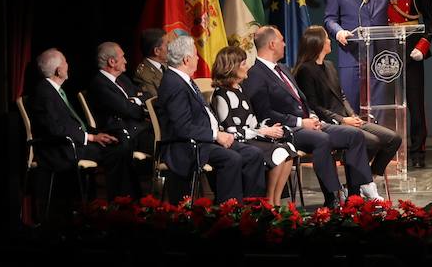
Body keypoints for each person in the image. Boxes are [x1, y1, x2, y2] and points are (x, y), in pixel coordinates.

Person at [242, 25, 381, 203]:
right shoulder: (256, 74)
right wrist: (301, 122)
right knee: (322, 140)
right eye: (282, 41)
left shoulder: (283, 69)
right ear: (271, 44)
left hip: (309, 123)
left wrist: (313, 116)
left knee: (353, 135)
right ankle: (334, 196)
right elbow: (265, 114)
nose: (285, 44)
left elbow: (303, 101)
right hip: (286, 129)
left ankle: (354, 196)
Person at [323, 0, 432, 109]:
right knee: (352, 108)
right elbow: (330, 19)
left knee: (380, 108)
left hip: (379, 58)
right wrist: (338, 32)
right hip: (352, 56)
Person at [156, 34, 265, 203]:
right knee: (231, 158)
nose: (198, 58)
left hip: (204, 140)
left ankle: (252, 209)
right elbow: (182, 128)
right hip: (186, 145)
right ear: (186, 60)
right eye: (195, 55)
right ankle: (228, 211)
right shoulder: (174, 84)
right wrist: (216, 135)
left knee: (254, 154)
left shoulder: (183, 80)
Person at [293, 25, 402, 177]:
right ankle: (359, 181)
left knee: (393, 139)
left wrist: (353, 115)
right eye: (326, 38)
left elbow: (341, 95)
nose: (329, 41)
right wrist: (343, 120)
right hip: (330, 123)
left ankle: (369, 177)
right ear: (318, 43)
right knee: (372, 142)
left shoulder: (329, 66)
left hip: (348, 118)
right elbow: (314, 106)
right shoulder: (305, 70)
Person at [28, 48, 134, 202]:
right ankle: (119, 203)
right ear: (58, 70)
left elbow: (72, 123)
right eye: (65, 62)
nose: (68, 65)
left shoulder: (54, 90)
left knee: (120, 144)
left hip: (72, 143)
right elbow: (55, 129)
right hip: (61, 149)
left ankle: (122, 201)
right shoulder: (44, 93)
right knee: (117, 151)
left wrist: (96, 134)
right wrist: (90, 137)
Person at [209, 45, 296, 202]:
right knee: (279, 152)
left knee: (288, 149)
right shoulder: (221, 95)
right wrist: (261, 133)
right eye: (243, 64)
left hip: (252, 136)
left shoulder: (240, 89)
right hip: (238, 141)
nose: (247, 67)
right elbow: (231, 131)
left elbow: (252, 122)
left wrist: (266, 129)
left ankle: (275, 201)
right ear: (232, 67)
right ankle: (268, 201)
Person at [380, 0, 432, 169]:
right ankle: (387, 147)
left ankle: (417, 150)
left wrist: (422, 47)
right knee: (386, 101)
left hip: (411, 45)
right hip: (384, 48)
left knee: (414, 101)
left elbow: (430, 20)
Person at [87, 41, 155, 156]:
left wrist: (136, 100)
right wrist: (144, 110)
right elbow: (126, 109)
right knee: (164, 143)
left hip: (139, 128)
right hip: (124, 135)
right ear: (112, 62)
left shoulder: (122, 79)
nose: (126, 61)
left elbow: (147, 95)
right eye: (122, 57)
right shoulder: (99, 84)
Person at [132, 28, 167, 100]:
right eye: (167, 45)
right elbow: (156, 101)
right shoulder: (143, 75)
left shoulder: (167, 64)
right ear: (157, 51)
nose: (170, 48)